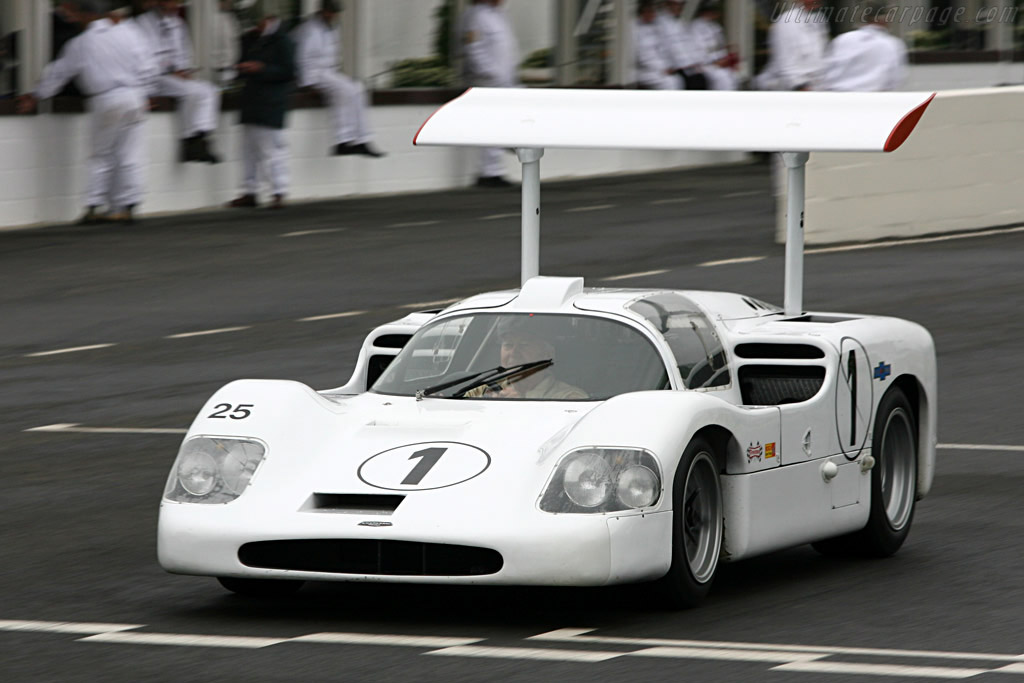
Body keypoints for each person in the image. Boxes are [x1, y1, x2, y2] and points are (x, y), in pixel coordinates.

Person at [17, 0, 157, 225]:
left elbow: (59, 72)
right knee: (130, 153)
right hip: (135, 97)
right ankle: (127, 206)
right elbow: (149, 65)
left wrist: (35, 95)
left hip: (107, 99)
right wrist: (148, 92)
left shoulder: (82, 42)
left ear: (86, 15)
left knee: (101, 155)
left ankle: (93, 204)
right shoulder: (130, 32)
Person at [133, 0, 221, 162]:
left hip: (172, 77)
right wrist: (172, 70)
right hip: (153, 78)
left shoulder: (178, 24)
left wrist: (184, 69)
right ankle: (190, 141)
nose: (175, 6)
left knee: (209, 90)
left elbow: (183, 54)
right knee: (191, 91)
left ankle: (200, 137)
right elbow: (144, 59)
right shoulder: (142, 23)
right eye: (172, 2)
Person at [293, 0, 383, 157]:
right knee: (345, 89)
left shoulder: (332, 28)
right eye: (330, 12)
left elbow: (333, 55)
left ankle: (363, 139)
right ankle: (342, 140)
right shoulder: (308, 30)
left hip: (328, 72)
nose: (333, 15)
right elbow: (301, 59)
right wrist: (307, 84)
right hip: (314, 74)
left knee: (358, 88)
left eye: (335, 12)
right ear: (323, 11)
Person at [227, 12, 296, 210]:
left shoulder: (282, 41)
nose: (257, 24)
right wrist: (241, 68)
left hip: (271, 101)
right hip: (252, 99)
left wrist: (262, 68)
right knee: (248, 149)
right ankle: (250, 190)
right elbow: (241, 63)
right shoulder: (250, 39)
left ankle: (278, 190)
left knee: (272, 148)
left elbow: (288, 71)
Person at [457, 0, 519, 187]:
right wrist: (488, 72)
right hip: (488, 80)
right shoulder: (476, 16)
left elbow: (505, 47)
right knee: (493, 125)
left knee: (504, 121)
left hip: (504, 80)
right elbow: (473, 48)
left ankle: (498, 160)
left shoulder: (499, 15)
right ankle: (490, 172)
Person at [468, 319, 588, 400]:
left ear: (547, 354)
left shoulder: (569, 398)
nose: (514, 353)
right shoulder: (483, 392)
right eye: (508, 345)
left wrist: (520, 405)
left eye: (524, 345)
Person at [821, 0, 907, 92]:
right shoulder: (892, 44)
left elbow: (826, 69)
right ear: (885, 19)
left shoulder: (843, 39)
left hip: (837, 95)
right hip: (872, 97)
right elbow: (895, 79)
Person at [756, 0, 827, 91]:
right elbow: (787, 69)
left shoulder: (818, 22)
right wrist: (803, 89)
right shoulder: (787, 22)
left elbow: (822, 60)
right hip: (788, 91)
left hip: (815, 89)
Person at [655, 0, 706, 90]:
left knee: (701, 79)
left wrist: (695, 61)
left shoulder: (679, 21)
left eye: (680, 5)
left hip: (688, 64)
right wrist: (669, 66)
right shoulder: (659, 22)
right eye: (675, 5)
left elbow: (688, 43)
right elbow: (663, 48)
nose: (678, 7)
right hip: (674, 66)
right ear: (667, 5)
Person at [689, 2, 740, 90]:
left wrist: (727, 59)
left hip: (719, 63)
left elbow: (720, 47)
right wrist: (714, 62)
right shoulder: (695, 27)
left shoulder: (715, 26)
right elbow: (697, 51)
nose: (716, 14)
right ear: (706, 12)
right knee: (723, 79)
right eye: (712, 11)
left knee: (735, 76)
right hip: (706, 65)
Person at [635, 0, 682, 90]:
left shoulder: (656, 27)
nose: (653, 14)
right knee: (670, 83)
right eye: (649, 12)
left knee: (677, 79)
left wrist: (670, 65)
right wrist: (662, 68)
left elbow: (664, 49)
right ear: (642, 13)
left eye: (653, 12)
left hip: (660, 67)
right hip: (644, 70)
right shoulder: (635, 29)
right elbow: (643, 57)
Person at [211, 0, 241, 87]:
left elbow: (234, 41)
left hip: (231, 67)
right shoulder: (212, 18)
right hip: (217, 69)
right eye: (228, 1)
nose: (231, 3)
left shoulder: (230, 17)